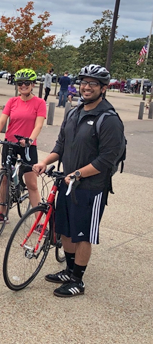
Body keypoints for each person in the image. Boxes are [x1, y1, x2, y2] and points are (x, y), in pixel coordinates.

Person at [33, 64, 124, 298]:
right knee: (66, 230)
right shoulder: (74, 112)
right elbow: (61, 145)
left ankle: (77, 280)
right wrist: (46, 161)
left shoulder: (109, 119)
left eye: (93, 83)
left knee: (83, 234)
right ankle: (69, 269)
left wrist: (78, 174)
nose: (87, 87)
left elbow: (107, 159)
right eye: (84, 82)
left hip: (91, 188)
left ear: (103, 88)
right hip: (67, 182)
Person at [0, 69, 46, 224]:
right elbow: (2, 121)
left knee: (31, 184)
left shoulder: (40, 103)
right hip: (11, 143)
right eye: (20, 83)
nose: (23, 86)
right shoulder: (12, 101)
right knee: (5, 177)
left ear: (33, 84)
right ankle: (2, 213)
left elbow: (38, 125)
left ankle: (39, 222)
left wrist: (30, 140)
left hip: (28, 145)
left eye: (27, 83)